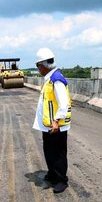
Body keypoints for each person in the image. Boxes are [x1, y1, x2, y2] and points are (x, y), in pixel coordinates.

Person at [32, 47, 72, 194]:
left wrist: (56, 121)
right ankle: (53, 174)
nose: (38, 69)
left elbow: (64, 103)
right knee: (49, 151)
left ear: (43, 65)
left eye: (38, 66)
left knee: (58, 153)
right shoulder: (49, 79)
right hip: (49, 125)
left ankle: (62, 180)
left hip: (57, 125)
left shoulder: (56, 80)